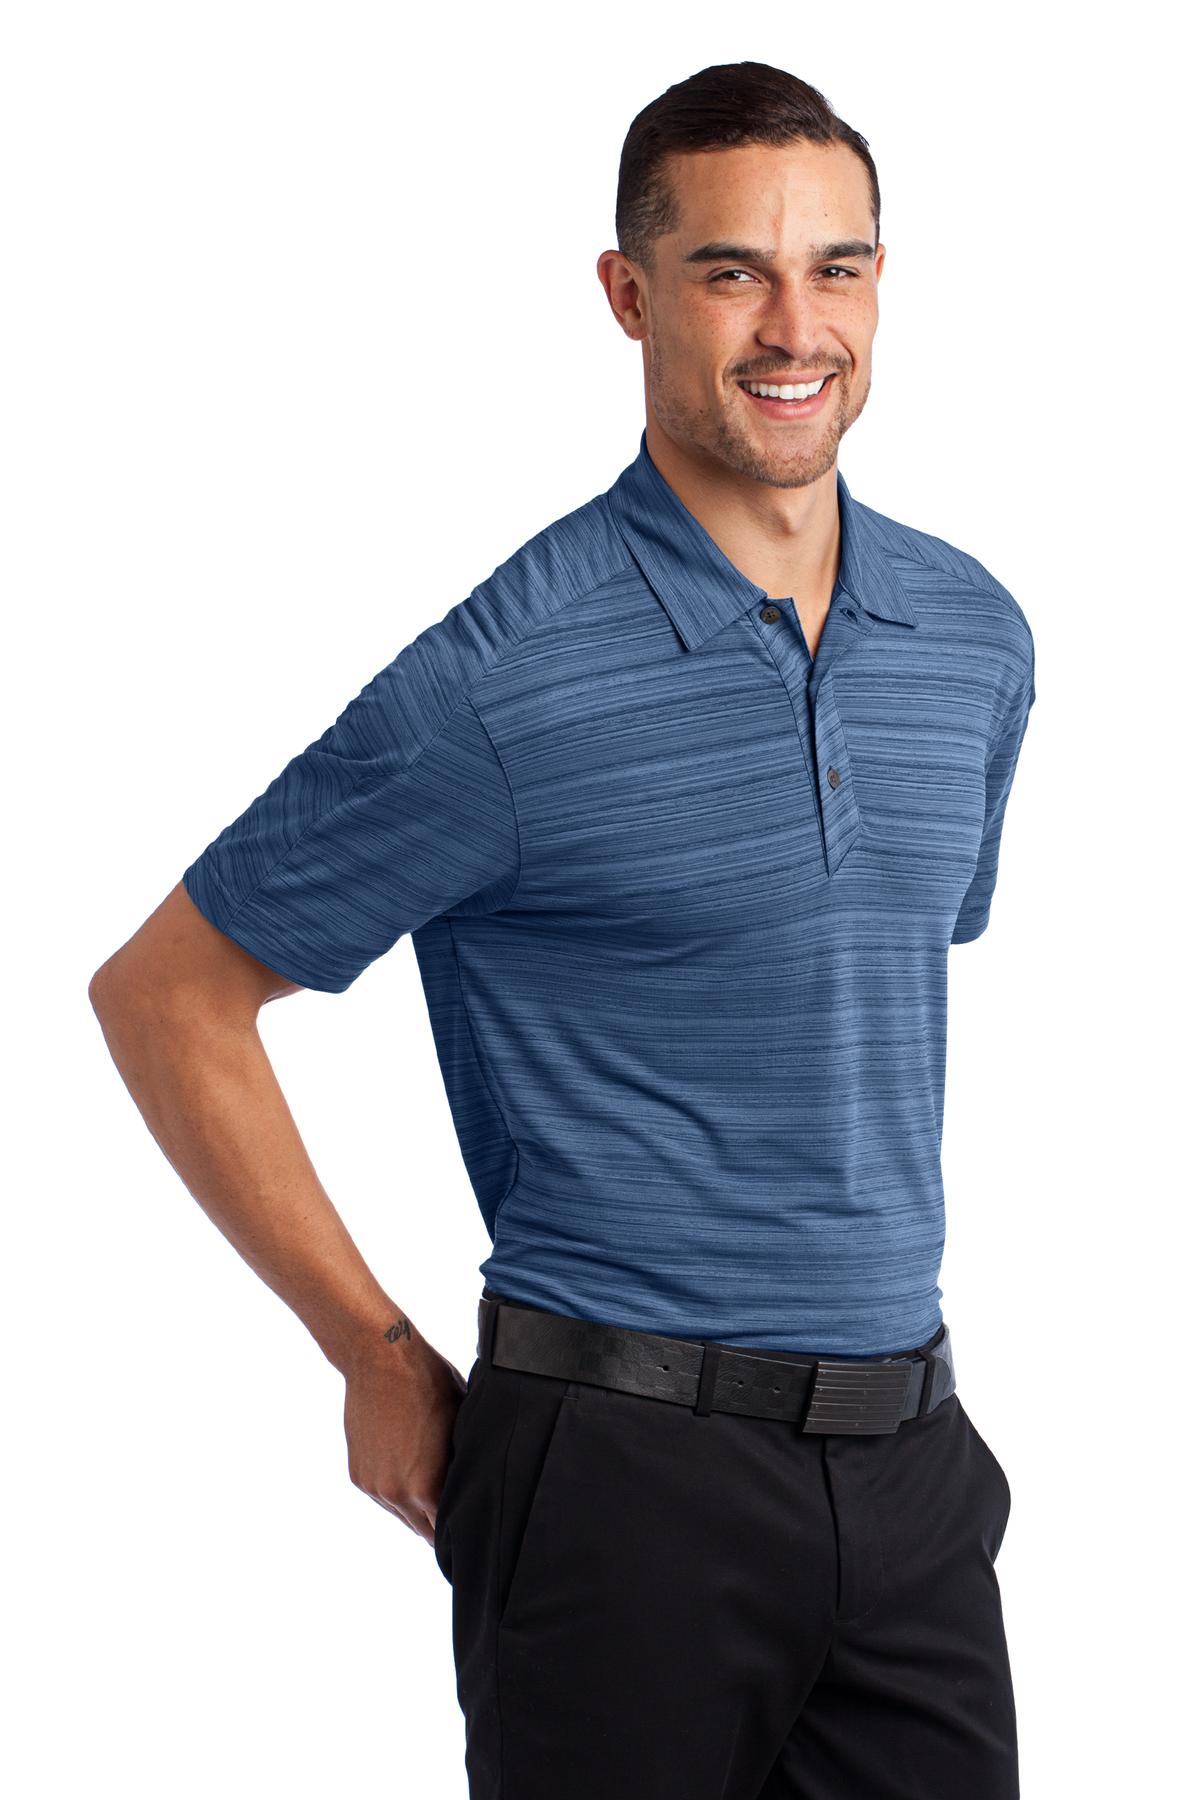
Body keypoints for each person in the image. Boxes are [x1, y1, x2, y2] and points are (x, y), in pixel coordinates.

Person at [90, 59, 1036, 1800]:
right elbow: (165, 995)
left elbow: (864, 988)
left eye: (834, 267)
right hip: (622, 1482)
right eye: (731, 271)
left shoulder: (974, 636)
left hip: (913, 1469)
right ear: (630, 294)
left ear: (880, 284)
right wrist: (371, 1351)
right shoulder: (505, 682)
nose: (794, 326)